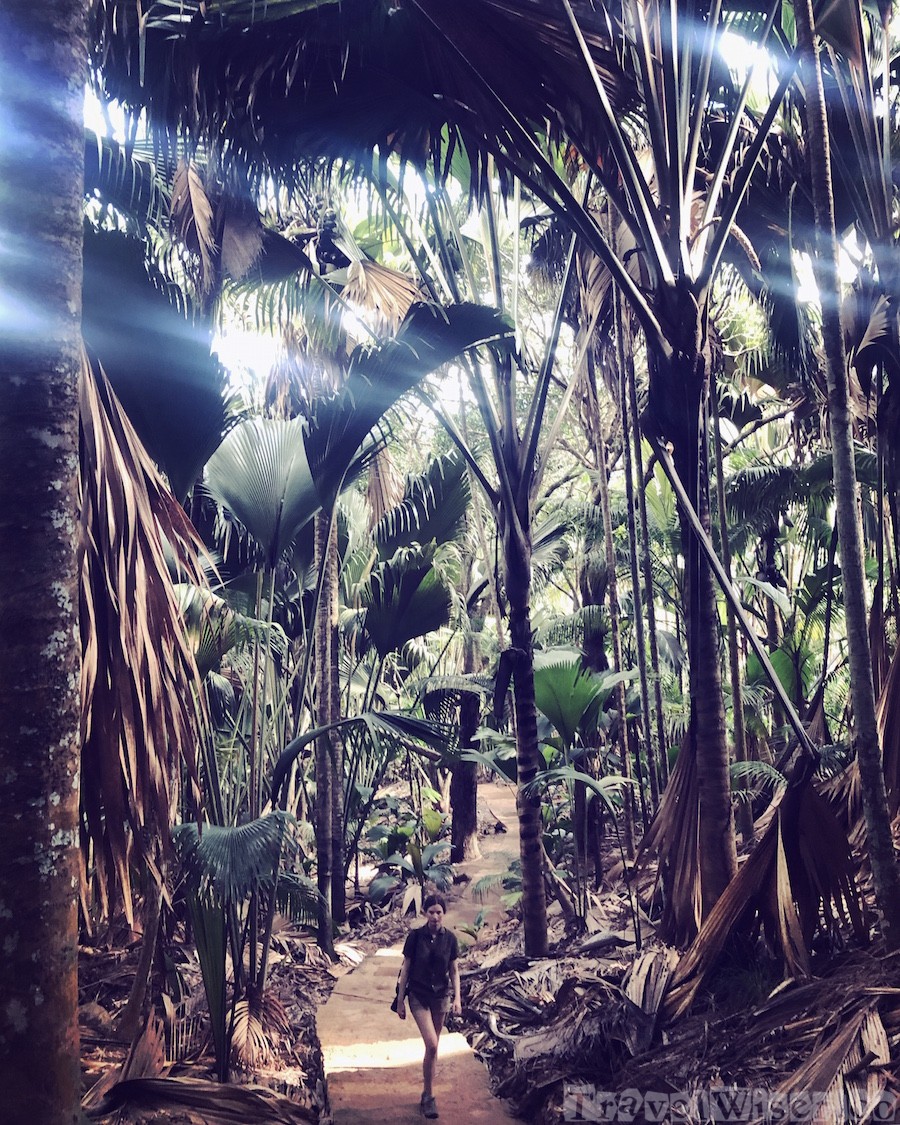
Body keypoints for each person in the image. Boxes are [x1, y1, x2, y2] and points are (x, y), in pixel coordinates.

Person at [395, 892, 462, 1120]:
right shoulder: (415, 937)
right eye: (431, 912)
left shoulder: (450, 939)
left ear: (444, 914)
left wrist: (458, 998)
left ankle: (426, 1093)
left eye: (439, 912)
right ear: (425, 913)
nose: (435, 916)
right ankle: (430, 1096)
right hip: (419, 995)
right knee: (432, 1043)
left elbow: (454, 971)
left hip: (440, 996)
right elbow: (406, 969)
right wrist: (400, 1000)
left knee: (433, 1048)